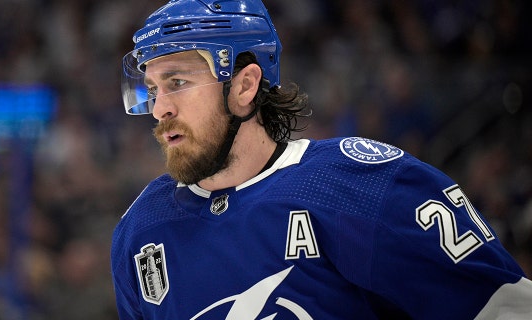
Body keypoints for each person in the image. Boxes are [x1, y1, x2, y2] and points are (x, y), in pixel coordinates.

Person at [111, 0, 532, 319]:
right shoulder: (140, 232)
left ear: (244, 86)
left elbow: (506, 308)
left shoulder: (360, 185)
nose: (159, 108)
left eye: (177, 82)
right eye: (152, 87)